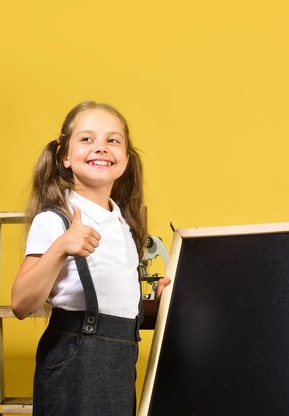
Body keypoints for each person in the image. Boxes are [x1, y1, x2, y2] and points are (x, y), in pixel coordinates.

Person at [11, 101, 170, 416]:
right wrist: (61, 247)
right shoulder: (56, 220)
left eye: (113, 140)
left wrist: (159, 303)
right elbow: (20, 303)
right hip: (76, 359)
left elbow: (117, 308)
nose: (101, 147)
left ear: (126, 158)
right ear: (65, 157)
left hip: (120, 360)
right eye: (87, 139)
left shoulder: (123, 223)